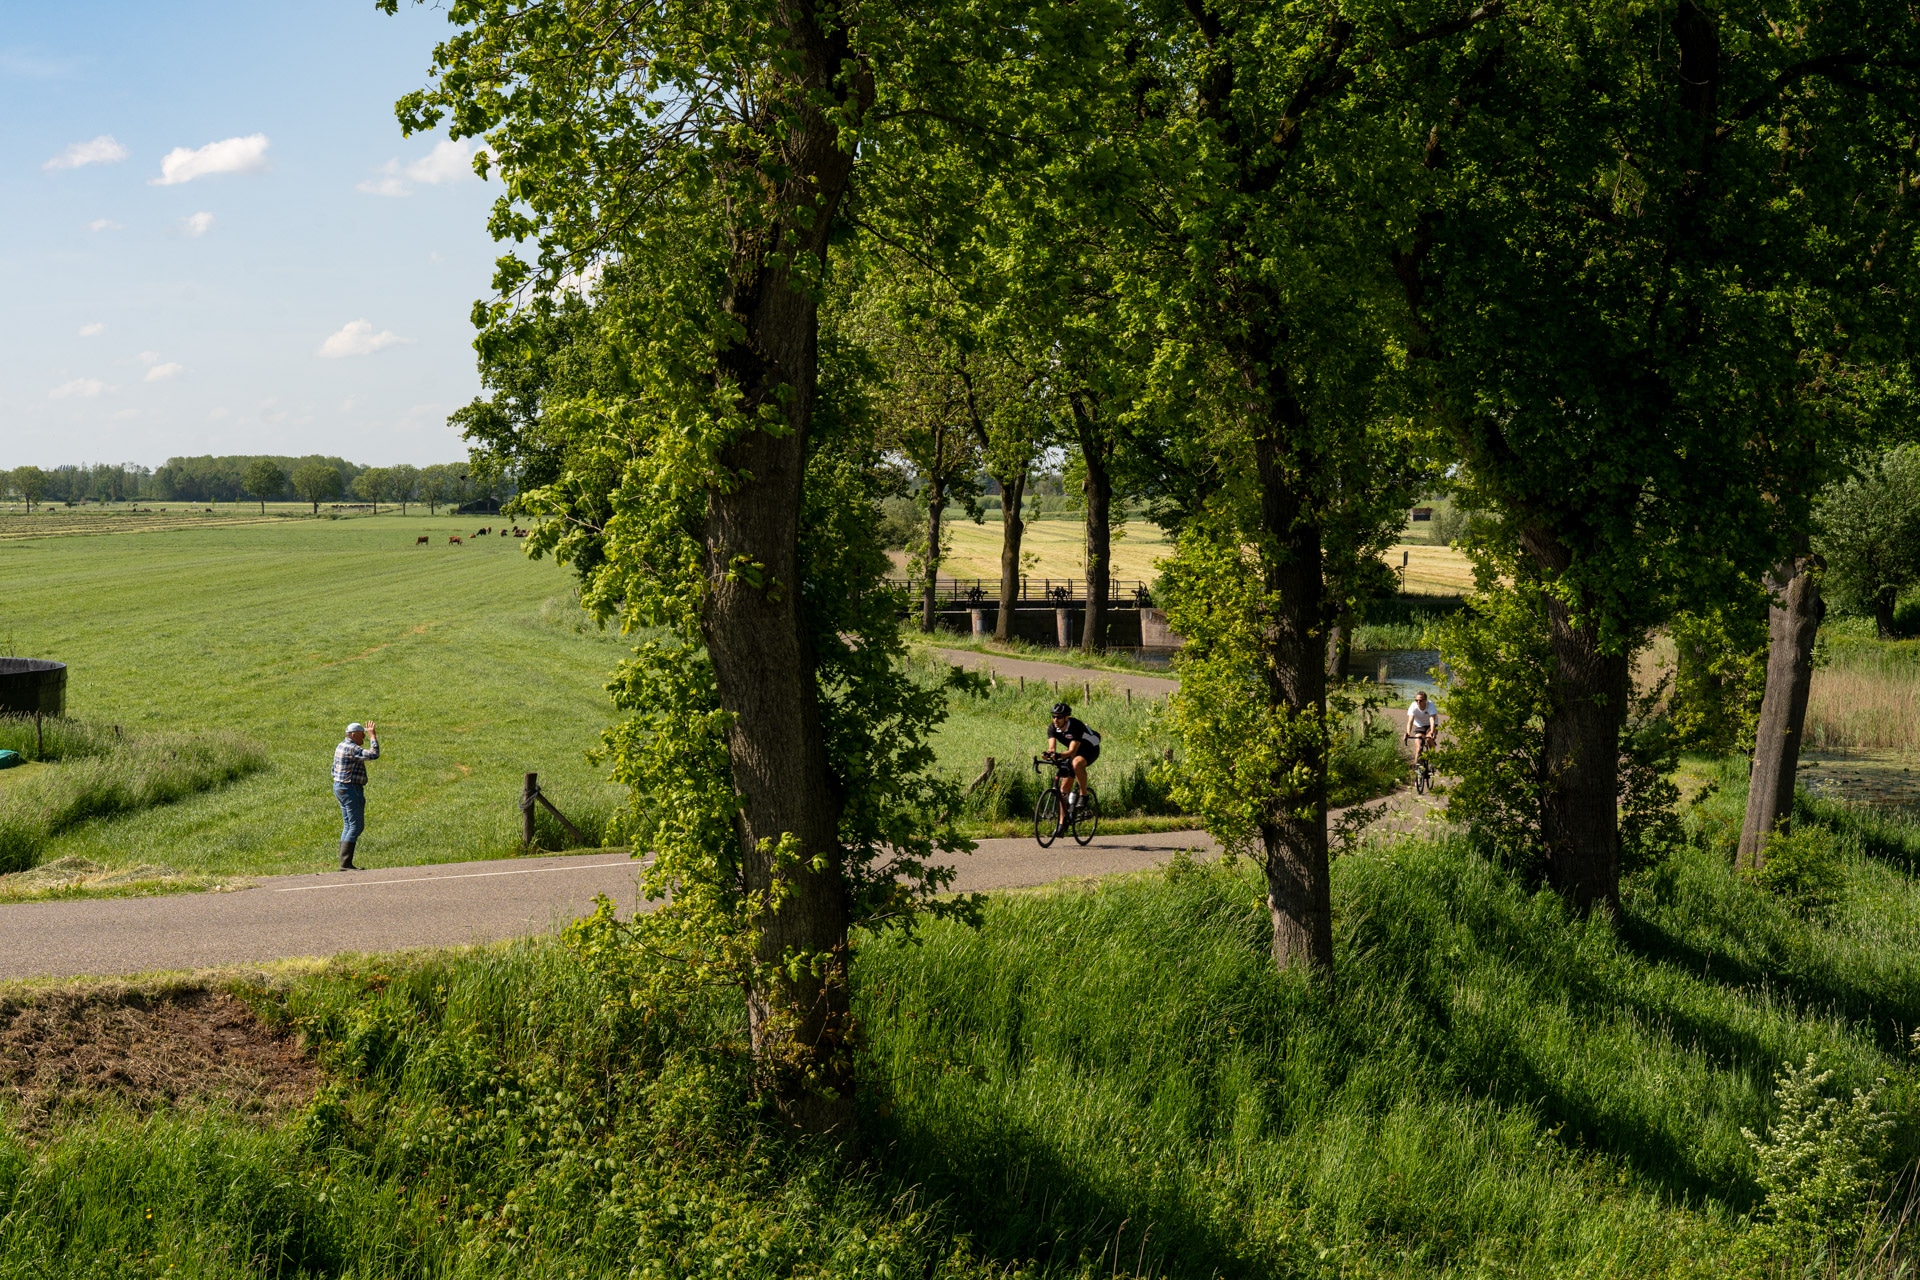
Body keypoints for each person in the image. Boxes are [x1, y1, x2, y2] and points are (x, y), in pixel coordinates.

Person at [331, 721, 380, 870]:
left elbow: (333, 768)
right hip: (351, 788)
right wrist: (373, 736)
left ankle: (344, 862)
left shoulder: (341, 745)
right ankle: (346, 863)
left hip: (339, 787)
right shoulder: (352, 748)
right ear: (353, 735)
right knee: (356, 825)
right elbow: (374, 754)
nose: (363, 738)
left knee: (348, 825)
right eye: (361, 735)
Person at [1043, 702, 1101, 817]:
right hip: (1074, 750)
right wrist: (1047, 754)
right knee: (1063, 788)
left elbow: (1072, 752)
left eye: (1059, 717)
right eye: (1053, 716)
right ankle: (1062, 823)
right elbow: (1051, 748)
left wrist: (1059, 755)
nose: (1055, 719)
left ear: (1066, 717)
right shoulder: (1052, 728)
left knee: (1076, 763)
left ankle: (1083, 795)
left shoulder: (1075, 726)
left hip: (1090, 749)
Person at [1404, 691, 1439, 766]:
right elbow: (1410, 721)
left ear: (1425, 701)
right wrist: (1408, 733)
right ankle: (1416, 765)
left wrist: (1432, 731)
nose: (1418, 702)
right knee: (1418, 745)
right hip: (1420, 725)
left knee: (1429, 738)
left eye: (1421, 700)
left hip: (1431, 725)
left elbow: (1432, 719)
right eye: (1416, 700)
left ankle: (1433, 759)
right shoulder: (1413, 706)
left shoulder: (1430, 705)